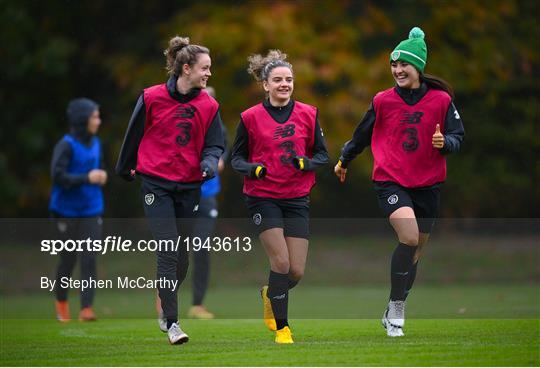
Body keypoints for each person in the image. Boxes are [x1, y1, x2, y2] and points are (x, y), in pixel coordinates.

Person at [334, 27, 465, 337]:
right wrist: (344, 159)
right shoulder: (382, 101)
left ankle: (395, 304)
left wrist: (444, 142)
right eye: (393, 65)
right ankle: (397, 310)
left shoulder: (441, 100)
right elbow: (361, 135)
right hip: (391, 180)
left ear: (417, 65)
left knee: (416, 252)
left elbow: (458, 137)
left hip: (428, 184)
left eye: (403, 64)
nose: (397, 70)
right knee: (408, 238)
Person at [115, 36, 225, 345]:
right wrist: (125, 168)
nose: (209, 74)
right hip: (156, 183)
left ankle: (165, 297)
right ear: (186, 68)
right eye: (205, 68)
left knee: (182, 258)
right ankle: (173, 322)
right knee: (167, 247)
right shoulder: (151, 97)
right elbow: (133, 133)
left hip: (189, 187)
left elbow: (216, 143)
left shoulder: (209, 104)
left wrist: (207, 162)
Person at [231, 50, 329, 344]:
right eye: (277, 80)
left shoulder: (308, 114)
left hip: (297, 197)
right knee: (282, 264)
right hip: (263, 196)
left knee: (296, 272)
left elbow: (322, 155)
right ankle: (283, 329)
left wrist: (306, 163)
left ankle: (269, 293)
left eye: (288, 79)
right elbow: (235, 159)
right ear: (265, 84)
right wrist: (254, 169)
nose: (284, 84)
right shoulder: (250, 117)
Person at [154, 86, 228, 320]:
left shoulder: (218, 127)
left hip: (206, 196)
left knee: (202, 248)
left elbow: (222, 150)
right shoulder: (180, 122)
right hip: (181, 193)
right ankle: (165, 296)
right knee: (175, 247)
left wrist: (219, 161)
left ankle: (197, 304)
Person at [49, 97, 106, 323]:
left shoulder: (96, 143)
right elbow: (58, 176)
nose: (98, 121)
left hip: (92, 209)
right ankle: (61, 303)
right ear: (83, 120)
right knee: (68, 259)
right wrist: (87, 178)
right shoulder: (66, 145)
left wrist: (100, 175)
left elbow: (95, 168)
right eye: (95, 116)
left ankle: (86, 308)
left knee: (89, 258)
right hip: (66, 211)